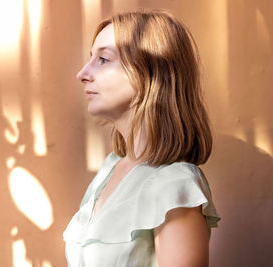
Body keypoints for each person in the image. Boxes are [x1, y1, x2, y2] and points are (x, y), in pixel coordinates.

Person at [63, 10, 220, 267]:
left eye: (103, 59)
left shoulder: (174, 184)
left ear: (149, 73)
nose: (82, 73)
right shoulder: (109, 170)